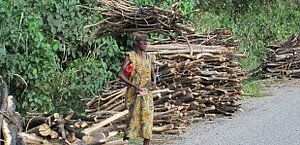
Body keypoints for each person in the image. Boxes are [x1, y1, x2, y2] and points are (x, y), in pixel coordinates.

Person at [118, 33, 156, 145]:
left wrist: (154, 83)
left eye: (146, 41)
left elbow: (153, 73)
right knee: (132, 121)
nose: (145, 43)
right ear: (136, 42)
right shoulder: (130, 56)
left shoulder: (148, 57)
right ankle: (125, 143)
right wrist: (135, 87)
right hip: (134, 94)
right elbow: (120, 74)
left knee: (148, 120)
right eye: (142, 41)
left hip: (147, 95)